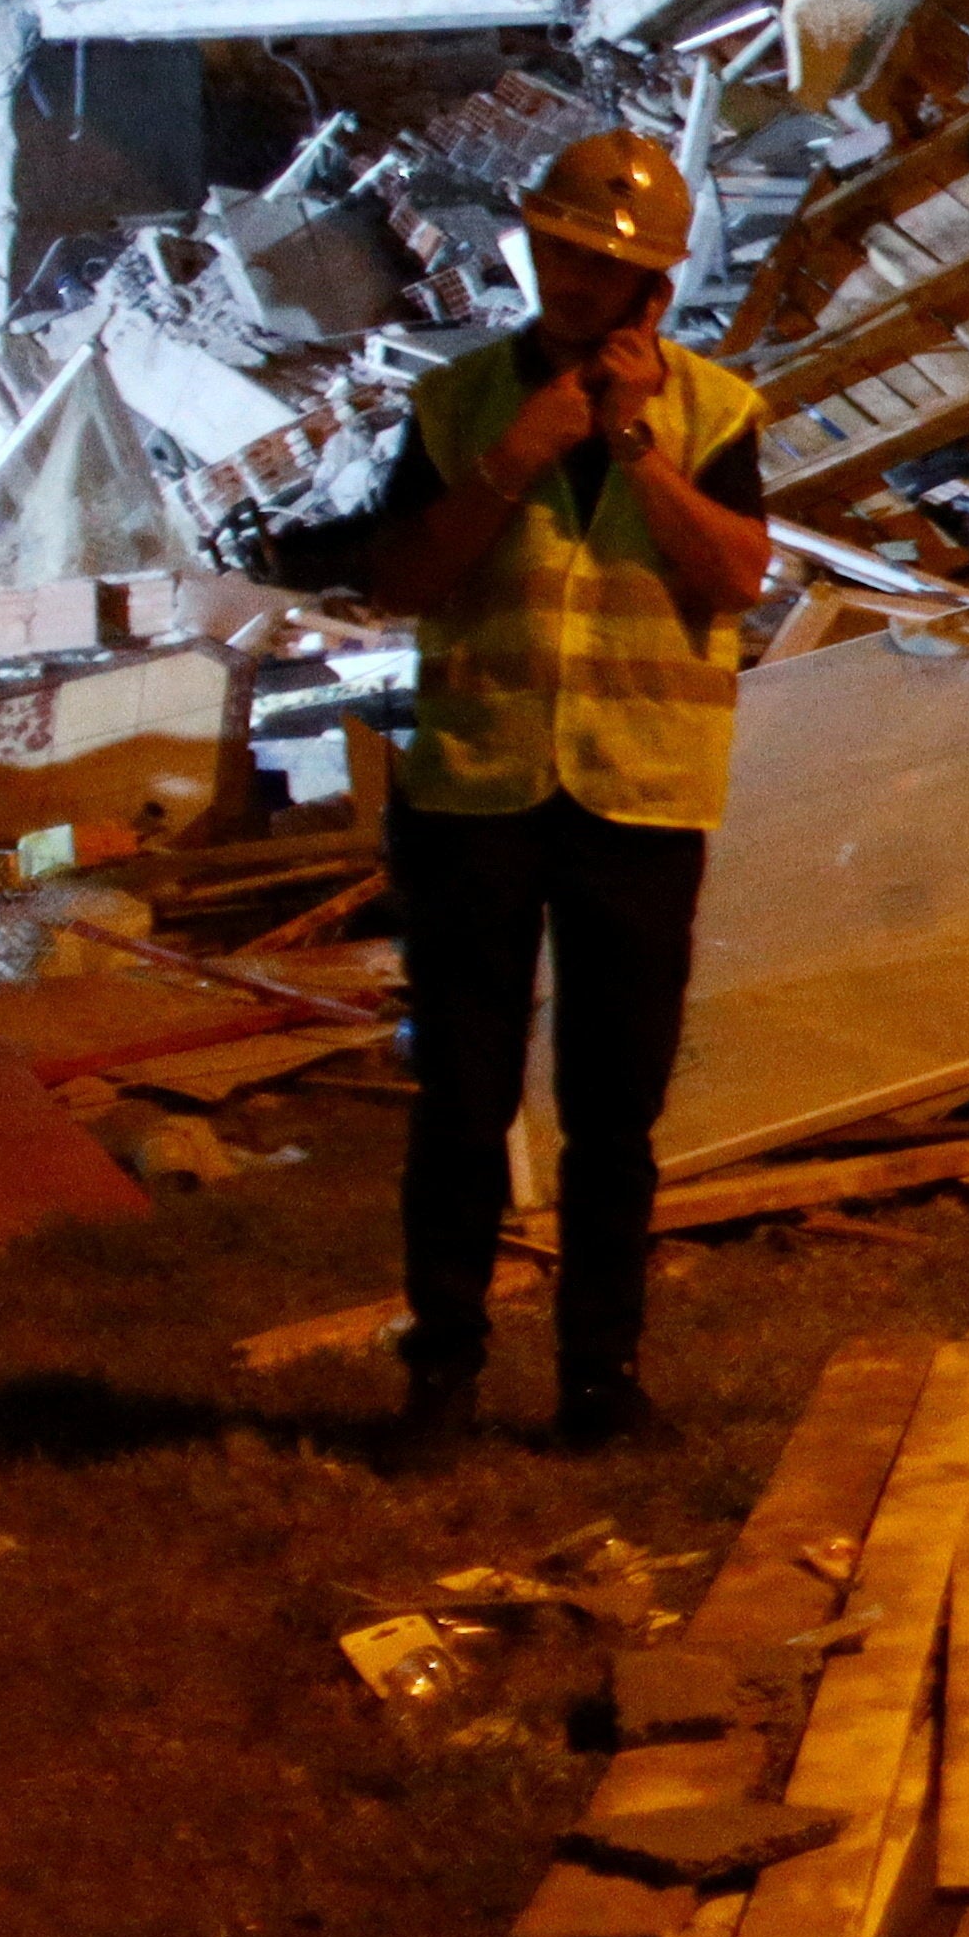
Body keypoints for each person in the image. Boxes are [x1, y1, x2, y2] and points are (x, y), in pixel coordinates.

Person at [363, 130, 772, 1455]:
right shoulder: (462, 403)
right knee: (463, 1103)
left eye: (605, 264)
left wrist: (637, 449)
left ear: (653, 285)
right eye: (559, 252)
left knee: (616, 1118)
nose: (575, 278)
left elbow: (734, 577)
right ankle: (443, 1377)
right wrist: (515, 459)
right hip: (477, 792)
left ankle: (600, 1380)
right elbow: (403, 583)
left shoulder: (716, 414)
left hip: (639, 800)